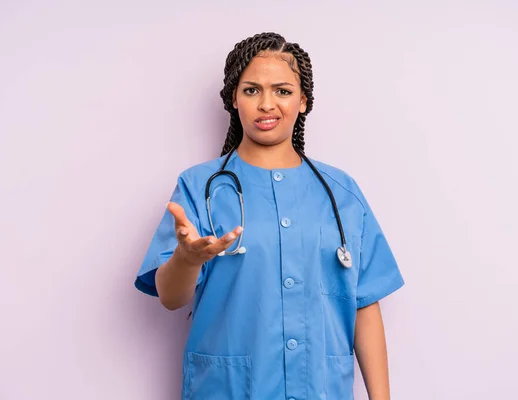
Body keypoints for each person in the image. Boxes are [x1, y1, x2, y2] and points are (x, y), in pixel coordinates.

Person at [135, 32, 404, 400]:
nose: (266, 104)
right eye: (251, 90)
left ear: (303, 101)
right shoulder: (200, 186)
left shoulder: (341, 192)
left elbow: (365, 303)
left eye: (282, 90)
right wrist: (187, 258)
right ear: (234, 99)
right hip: (228, 390)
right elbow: (170, 296)